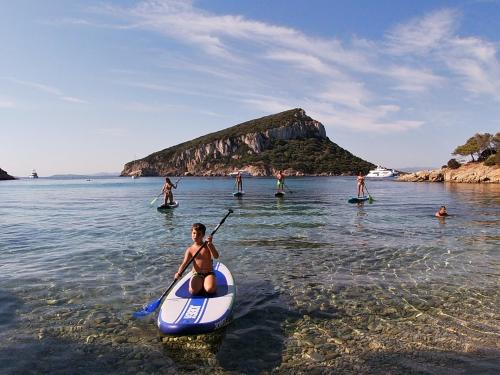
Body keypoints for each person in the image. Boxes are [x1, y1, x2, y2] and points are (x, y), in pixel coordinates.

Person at [175, 223, 219, 295]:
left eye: (199, 234)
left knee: (210, 290)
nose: (195, 236)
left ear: (203, 235)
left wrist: (210, 244)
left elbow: (216, 256)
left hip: (208, 273)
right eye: (194, 233)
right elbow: (184, 263)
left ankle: (207, 283)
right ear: (191, 233)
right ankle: (201, 284)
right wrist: (178, 273)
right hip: (197, 274)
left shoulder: (207, 245)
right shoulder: (190, 249)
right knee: (193, 291)